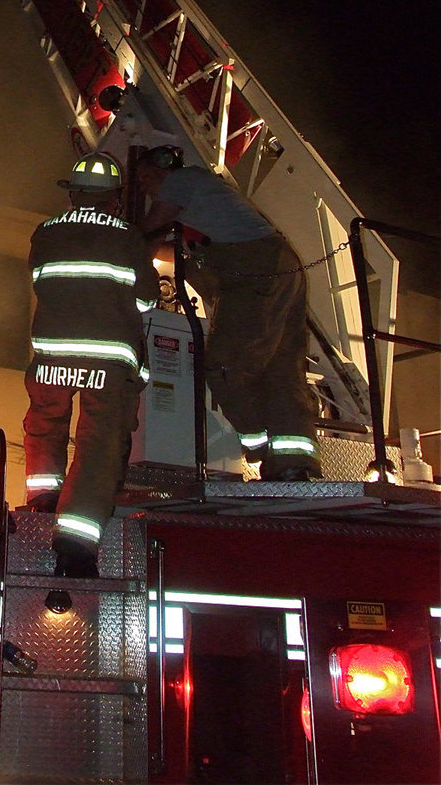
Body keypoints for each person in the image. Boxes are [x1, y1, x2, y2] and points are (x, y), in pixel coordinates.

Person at [134, 145, 321, 482]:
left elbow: (148, 232)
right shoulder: (207, 204)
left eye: (146, 177)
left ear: (164, 168)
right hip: (280, 268)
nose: (146, 187)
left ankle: (261, 446)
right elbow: (171, 249)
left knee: (224, 366)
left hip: (256, 275)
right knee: (281, 370)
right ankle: (293, 463)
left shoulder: (181, 182)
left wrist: (120, 251)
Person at [22, 151, 160, 579]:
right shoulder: (127, 236)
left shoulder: (44, 232)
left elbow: (41, 279)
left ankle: (45, 500)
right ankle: (76, 544)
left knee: (46, 421)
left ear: (74, 194)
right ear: (114, 199)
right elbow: (146, 300)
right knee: (97, 446)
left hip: (52, 354)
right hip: (107, 358)